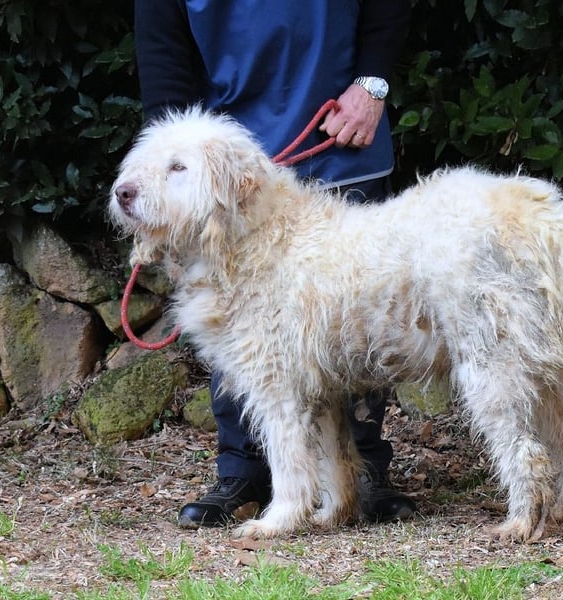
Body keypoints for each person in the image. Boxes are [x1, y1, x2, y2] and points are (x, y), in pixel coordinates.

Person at [133, 0, 415, 528]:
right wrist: (164, 169)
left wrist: (372, 82)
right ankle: (243, 473)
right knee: (234, 319)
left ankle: (361, 474)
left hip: (338, 135)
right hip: (225, 163)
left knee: (358, 321)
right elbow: (163, 53)